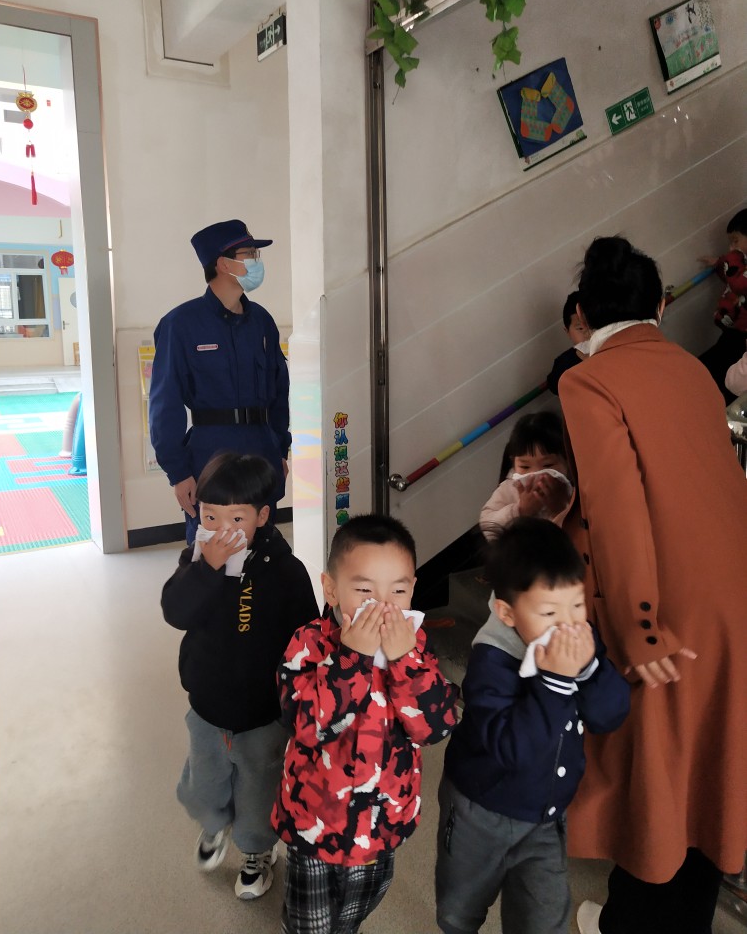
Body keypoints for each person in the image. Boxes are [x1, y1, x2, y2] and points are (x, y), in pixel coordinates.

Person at [558, 236, 747, 934]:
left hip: (669, 605)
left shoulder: (588, 382)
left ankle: (630, 926)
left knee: (660, 781)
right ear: (661, 307)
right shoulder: (694, 370)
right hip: (731, 594)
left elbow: (617, 511)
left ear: (583, 315)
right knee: (713, 772)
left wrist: (638, 628)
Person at [436, 518, 629, 934]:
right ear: (507, 612)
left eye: (577, 605)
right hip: (478, 811)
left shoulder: (578, 641)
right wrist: (556, 682)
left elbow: (609, 715)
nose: (568, 624)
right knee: (459, 910)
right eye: (549, 612)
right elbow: (514, 751)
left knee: (543, 919)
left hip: (546, 816)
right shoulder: (492, 662)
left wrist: (590, 670)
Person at [271, 513, 460, 934]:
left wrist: (406, 660)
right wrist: (351, 657)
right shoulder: (308, 644)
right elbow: (307, 726)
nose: (383, 606)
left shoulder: (415, 645)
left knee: (356, 910)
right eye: (364, 591)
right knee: (309, 923)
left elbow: (436, 726)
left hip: (382, 823)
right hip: (315, 824)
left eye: (398, 590)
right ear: (331, 590)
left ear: (413, 589)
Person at [161, 452, 318, 901]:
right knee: (205, 781)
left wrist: (300, 703)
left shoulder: (285, 571)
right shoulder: (197, 560)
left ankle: (256, 851)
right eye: (210, 516)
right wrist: (205, 569)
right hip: (207, 703)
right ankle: (213, 825)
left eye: (236, 518)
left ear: (262, 516)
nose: (222, 530)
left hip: (263, 713)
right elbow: (175, 612)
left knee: (257, 789)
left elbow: (306, 637)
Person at [150, 218, 290, 544]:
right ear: (223, 263)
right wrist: (178, 472)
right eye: (249, 254)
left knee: (262, 546)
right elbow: (165, 403)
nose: (256, 261)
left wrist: (280, 448)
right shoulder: (180, 324)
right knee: (212, 550)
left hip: (261, 449)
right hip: (210, 452)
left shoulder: (262, 322)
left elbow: (278, 392)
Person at [479, 410, 573, 540]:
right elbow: (488, 528)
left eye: (548, 465)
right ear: (514, 463)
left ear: (567, 461)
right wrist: (520, 510)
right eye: (525, 467)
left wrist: (560, 509)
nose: (535, 475)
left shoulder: (573, 489)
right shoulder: (509, 488)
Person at [697, 208, 747, 402]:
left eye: (735, 241)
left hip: (741, 333)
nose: (731, 248)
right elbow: (732, 278)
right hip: (734, 328)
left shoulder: (737, 262)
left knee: (725, 370)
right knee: (718, 361)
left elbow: (739, 283)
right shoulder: (741, 261)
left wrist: (729, 260)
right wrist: (721, 264)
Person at [546, 290, 590, 395]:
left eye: (593, 326)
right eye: (580, 328)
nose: (589, 334)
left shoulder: (614, 351)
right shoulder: (563, 366)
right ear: (567, 332)